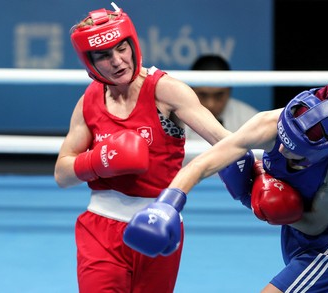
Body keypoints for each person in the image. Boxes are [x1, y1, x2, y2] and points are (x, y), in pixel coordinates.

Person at [124, 85, 328, 292]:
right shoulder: (268, 124)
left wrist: (258, 200)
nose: (283, 150)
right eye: (283, 140)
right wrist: (168, 203)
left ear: (319, 153)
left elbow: (315, 224)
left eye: (294, 150)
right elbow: (204, 163)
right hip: (294, 235)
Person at [54, 3, 230, 293]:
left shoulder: (166, 90)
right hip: (100, 228)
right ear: (91, 63)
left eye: (121, 49)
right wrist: (100, 161)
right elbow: (62, 173)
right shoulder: (89, 101)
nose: (117, 61)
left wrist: (260, 169)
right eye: (104, 55)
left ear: (133, 45)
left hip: (159, 223)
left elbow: (224, 140)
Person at [185, 54, 259, 140]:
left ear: (229, 90)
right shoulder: (176, 120)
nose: (210, 104)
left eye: (218, 95)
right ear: (190, 89)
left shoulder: (250, 121)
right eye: (203, 95)